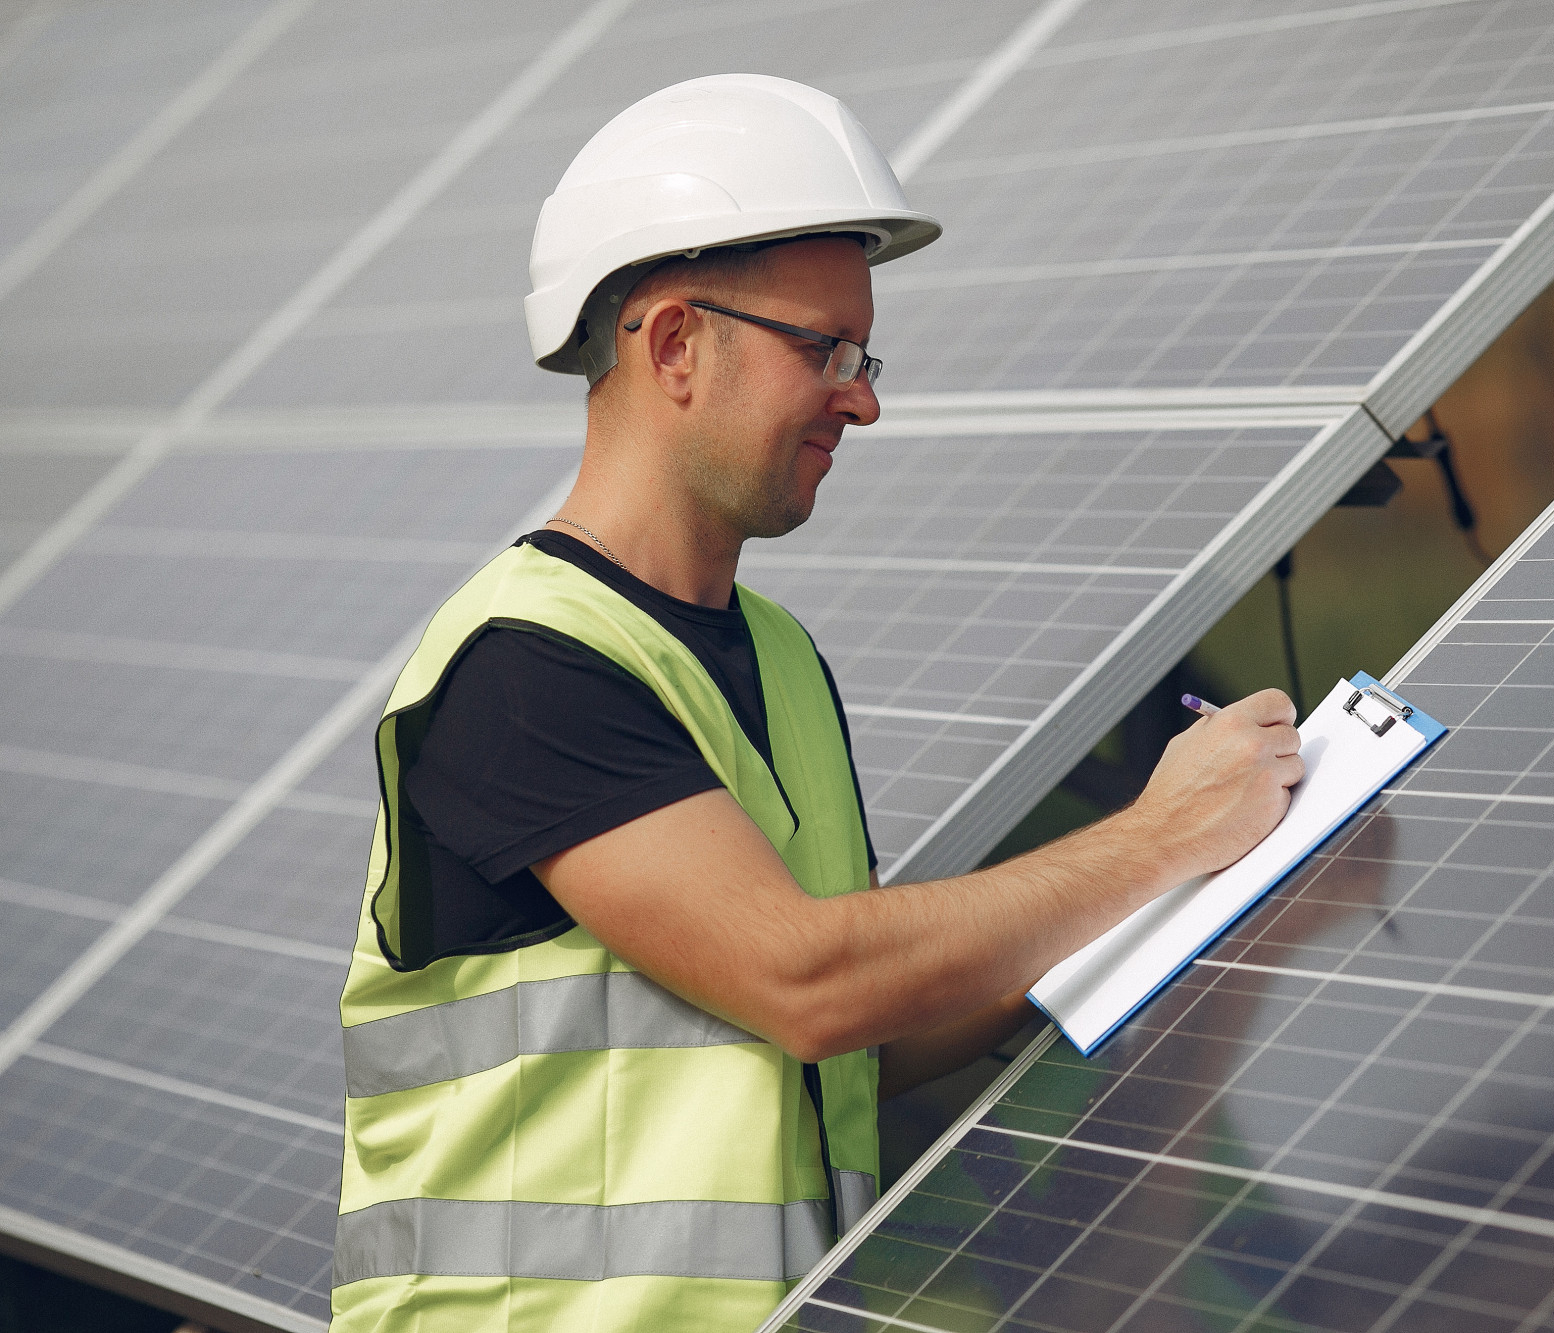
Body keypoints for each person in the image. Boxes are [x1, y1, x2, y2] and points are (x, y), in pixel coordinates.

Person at [331, 74, 1302, 1332]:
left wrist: (1192, 891)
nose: (863, 396)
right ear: (674, 342)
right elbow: (806, 981)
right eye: (822, 350)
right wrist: (1159, 837)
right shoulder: (524, 668)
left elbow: (856, 1048)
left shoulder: (778, 659)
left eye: (864, 353)